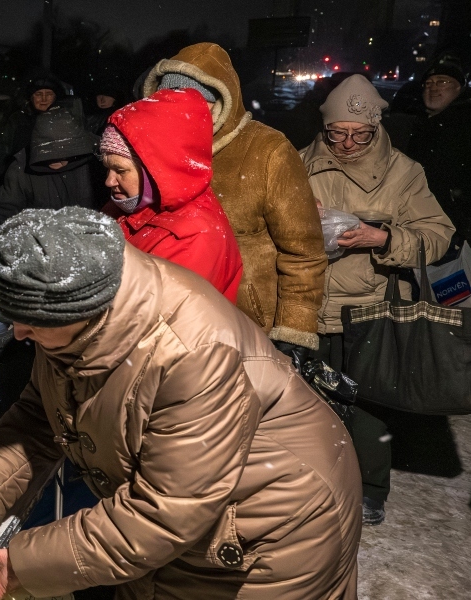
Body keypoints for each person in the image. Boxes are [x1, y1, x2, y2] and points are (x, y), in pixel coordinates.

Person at [0, 206, 361, 599]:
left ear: (85, 311)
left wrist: (28, 563)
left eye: (31, 324)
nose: (21, 335)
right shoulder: (70, 313)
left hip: (268, 530)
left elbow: (164, 513)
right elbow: (42, 413)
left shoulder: (193, 354)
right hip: (187, 519)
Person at [300, 74, 455, 525]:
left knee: (368, 404)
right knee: (310, 402)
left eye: (360, 133)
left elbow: (438, 236)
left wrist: (381, 237)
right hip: (310, 302)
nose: (347, 143)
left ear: (376, 127)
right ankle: (314, 483)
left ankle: (369, 489)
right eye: (337, 133)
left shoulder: (405, 173)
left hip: (372, 305)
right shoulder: (295, 163)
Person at [143, 42, 328, 360]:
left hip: (247, 325)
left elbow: (303, 252)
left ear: (218, 103)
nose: (178, 111)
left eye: (192, 101)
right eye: (167, 100)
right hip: (168, 320)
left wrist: (293, 330)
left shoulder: (268, 151)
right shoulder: (146, 148)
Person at [99, 88, 243, 303]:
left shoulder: (192, 238)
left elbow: (153, 321)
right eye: (107, 169)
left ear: (154, 170)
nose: (109, 181)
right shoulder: (127, 207)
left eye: (120, 171)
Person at [0, 105, 104, 229]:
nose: (53, 159)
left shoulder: (95, 165)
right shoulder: (20, 169)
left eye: (61, 154)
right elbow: (4, 211)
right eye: (47, 153)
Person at [405, 55, 471, 245]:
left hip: (455, 228)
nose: (433, 88)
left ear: (459, 88)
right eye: (428, 83)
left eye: (442, 82)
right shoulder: (416, 122)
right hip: (421, 222)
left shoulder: (464, 125)